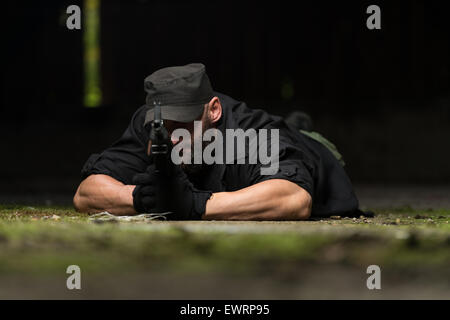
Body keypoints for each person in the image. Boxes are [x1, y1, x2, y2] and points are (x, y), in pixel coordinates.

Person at [73, 63, 360, 220]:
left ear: (214, 110)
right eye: (164, 126)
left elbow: (293, 198)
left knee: (304, 138)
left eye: (184, 124)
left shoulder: (252, 131)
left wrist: (196, 205)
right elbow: (87, 193)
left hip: (312, 153)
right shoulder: (149, 124)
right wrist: (140, 199)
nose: (173, 138)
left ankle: (301, 126)